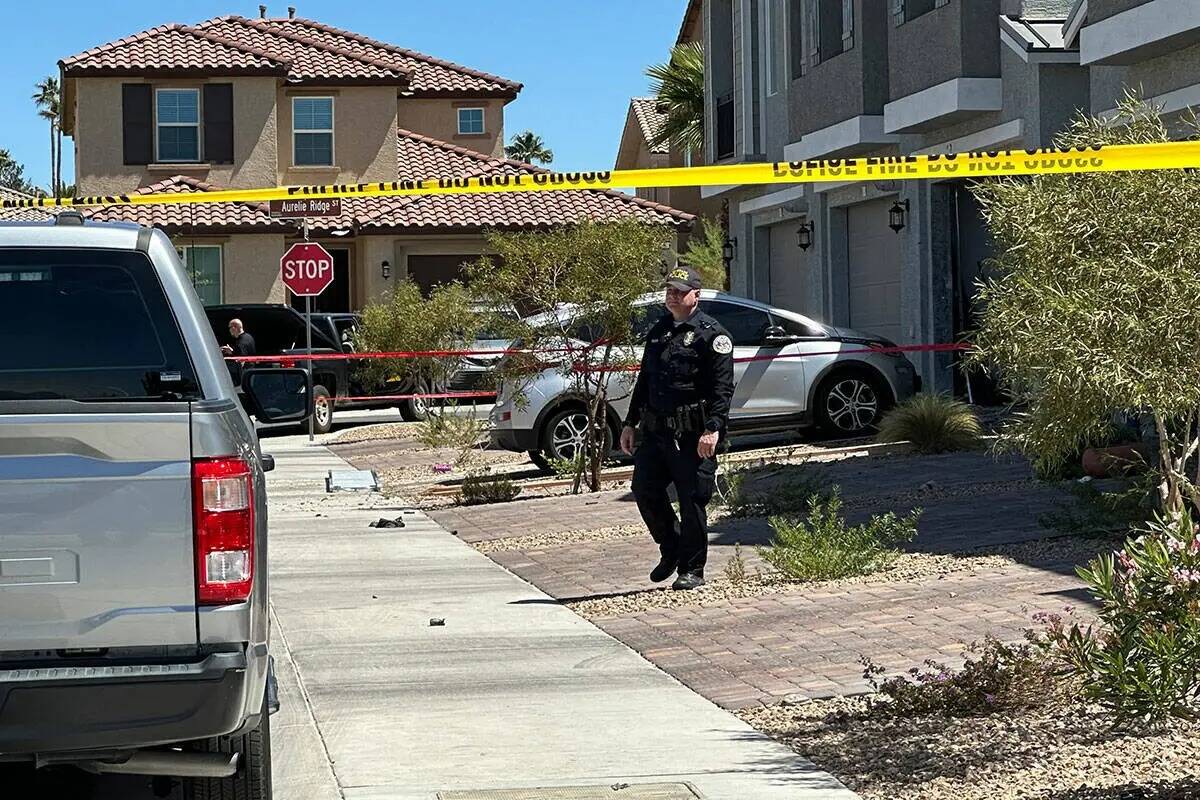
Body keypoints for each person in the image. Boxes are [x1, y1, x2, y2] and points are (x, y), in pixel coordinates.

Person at [621, 266, 735, 591]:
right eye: (669, 289)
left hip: (693, 434)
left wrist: (713, 429)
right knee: (644, 488)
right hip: (656, 432)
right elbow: (645, 382)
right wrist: (630, 422)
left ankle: (692, 569)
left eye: (679, 290)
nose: (671, 295)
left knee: (692, 500)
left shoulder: (714, 335)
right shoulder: (658, 331)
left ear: (695, 295)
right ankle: (670, 547)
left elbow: (722, 390)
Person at [221, 318, 256, 384]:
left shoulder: (242, 341)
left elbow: (241, 359)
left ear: (235, 327)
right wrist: (231, 351)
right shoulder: (248, 337)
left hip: (245, 375)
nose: (229, 330)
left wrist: (231, 353)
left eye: (230, 327)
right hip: (250, 373)